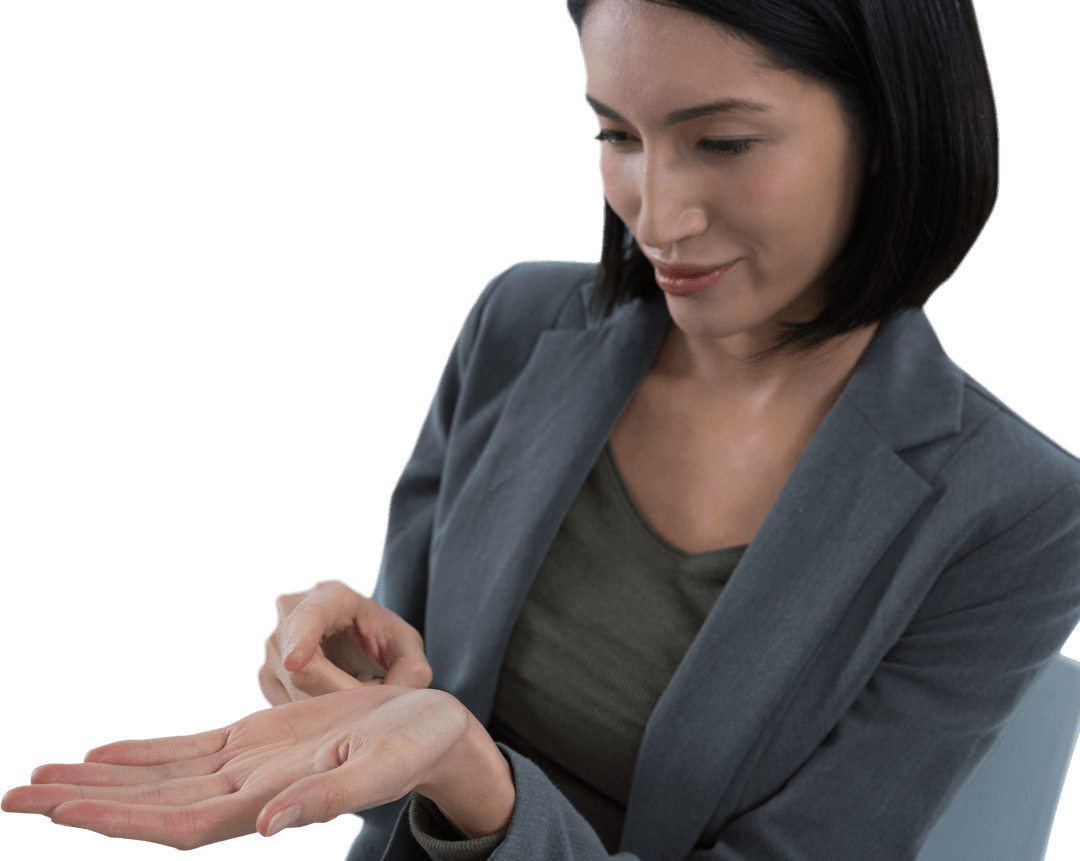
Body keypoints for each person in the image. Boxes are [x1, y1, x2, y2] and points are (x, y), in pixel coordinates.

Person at [4, 0, 1080, 858]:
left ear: (892, 129)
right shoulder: (518, 325)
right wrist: (353, 683)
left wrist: (475, 782)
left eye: (723, 141)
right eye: (617, 133)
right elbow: (411, 713)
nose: (655, 215)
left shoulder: (1013, 511)